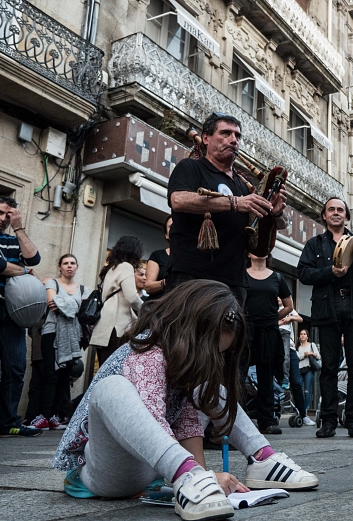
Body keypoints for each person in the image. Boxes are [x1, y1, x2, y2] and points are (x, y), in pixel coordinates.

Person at [51, 280, 318, 520]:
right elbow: (153, 421)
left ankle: (261, 458)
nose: (214, 357)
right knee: (109, 388)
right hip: (108, 473)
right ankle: (187, 474)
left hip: (151, 468)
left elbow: (187, 422)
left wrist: (202, 477)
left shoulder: (183, 360)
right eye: (211, 349)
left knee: (208, 387)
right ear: (190, 330)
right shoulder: (147, 351)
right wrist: (196, 474)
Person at [167, 113, 287, 306]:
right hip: (192, 276)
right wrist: (235, 203)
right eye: (225, 133)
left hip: (234, 282)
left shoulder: (243, 185)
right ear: (206, 138)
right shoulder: (191, 167)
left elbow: (273, 229)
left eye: (237, 136)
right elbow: (178, 200)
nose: (233, 140)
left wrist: (275, 212)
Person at [297, 197, 353, 439]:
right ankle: (328, 421)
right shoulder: (314, 244)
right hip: (327, 307)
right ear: (324, 215)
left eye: (340, 210)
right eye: (331, 209)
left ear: (346, 216)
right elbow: (303, 273)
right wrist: (329, 272)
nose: (336, 213)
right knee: (329, 367)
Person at [0, 195, 42, 438]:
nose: (3, 218)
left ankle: (8, 422)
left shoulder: (15, 240)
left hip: (13, 310)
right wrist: (25, 270)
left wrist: (18, 228)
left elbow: (35, 258)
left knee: (15, 367)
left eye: (8, 215)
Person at [31, 254, 89, 431]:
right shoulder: (52, 283)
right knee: (50, 374)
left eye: (72, 263)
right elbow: (52, 303)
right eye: (65, 263)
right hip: (52, 332)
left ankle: (54, 416)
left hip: (74, 336)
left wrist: (62, 303)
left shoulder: (83, 289)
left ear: (77, 267)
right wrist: (74, 305)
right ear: (60, 267)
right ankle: (43, 416)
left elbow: (83, 310)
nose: (69, 266)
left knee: (64, 377)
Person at [245, 253, 292, 435]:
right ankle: (238, 421)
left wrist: (273, 318)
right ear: (249, 253)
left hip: (268, 331)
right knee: (239, 375)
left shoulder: (277, 277)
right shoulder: (242, 275)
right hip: (246, 331)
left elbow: (288, 305)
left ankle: (267, 421)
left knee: (266, 377)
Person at [91, 236, 144, 367]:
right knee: (115, 370)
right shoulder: (126, 267)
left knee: (104, 369)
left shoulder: (110, 268)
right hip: (117, 327)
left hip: (104, 326)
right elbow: (132, 297)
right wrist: (146, 309)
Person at [144, 216, 171, 300]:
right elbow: (148, 286)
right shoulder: (157, 255)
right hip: (160, 304)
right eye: (170, 226)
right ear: (166, 235)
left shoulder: (191, 257)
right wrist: (166, 282)